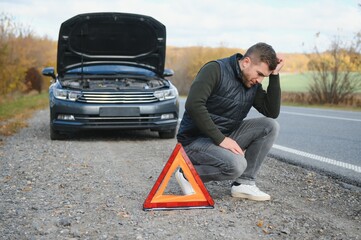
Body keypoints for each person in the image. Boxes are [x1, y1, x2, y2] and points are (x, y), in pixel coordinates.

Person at [176, 42, 285, 201]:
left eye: (264, 77)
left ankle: (244, 184)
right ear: (246, 62)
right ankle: (186, 174)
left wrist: (274, 76)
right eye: (259, 73)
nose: (259, 80)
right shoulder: (215, 70)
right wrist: (221, 139)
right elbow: (193, 105)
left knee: (269, 126)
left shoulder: (252, 83)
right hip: (194, 141)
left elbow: (272, 112)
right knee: (237, 165)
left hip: (223, 138)